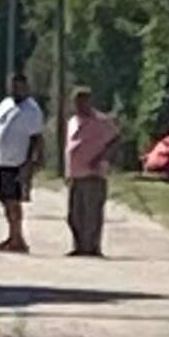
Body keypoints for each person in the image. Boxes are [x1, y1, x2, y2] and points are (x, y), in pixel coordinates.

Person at [0, 73, 45, 253]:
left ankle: (18, 238)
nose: (16, 89)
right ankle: (12, 236)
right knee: (5, 200)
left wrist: (31, 162)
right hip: (2, 160)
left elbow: (36, 137)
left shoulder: (32, 110)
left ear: (26, 87)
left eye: (19, 86)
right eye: (13, 86)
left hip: (18, 162)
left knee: (14, 201)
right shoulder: (5, 104)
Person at [65, 87, 119, 257]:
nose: (79, 105)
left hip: (93, 173)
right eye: (76, 101)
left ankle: (92, 247)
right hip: (75, 174)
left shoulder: (101, 121)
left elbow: (116, 140)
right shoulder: (73, 121)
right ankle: (79, 245)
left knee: (92, 213)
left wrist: (102, 158)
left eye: (83, 101)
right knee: (74, 214)